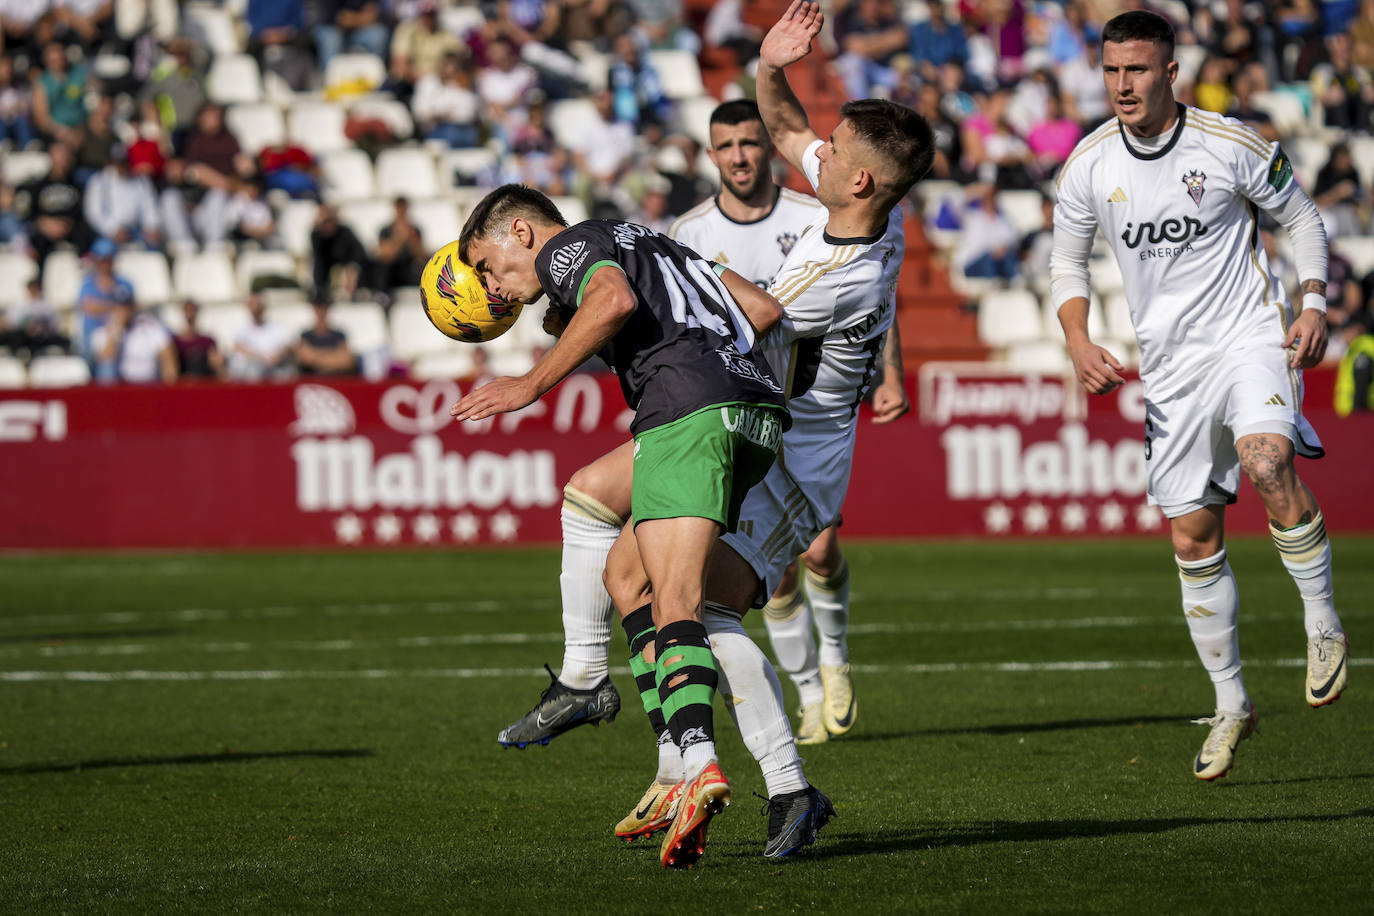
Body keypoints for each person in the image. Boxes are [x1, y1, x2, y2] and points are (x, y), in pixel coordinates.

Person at [449, 183, 792, 869]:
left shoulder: (567, 248)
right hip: (755, 414)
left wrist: (530, 384)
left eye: (486, 265)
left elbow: (614, 300)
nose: (490, 285)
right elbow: (764, 310)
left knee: (677, 602)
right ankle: (670, 761)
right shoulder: (653, 241)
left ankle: (695, 759)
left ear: (519, 231)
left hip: (685, 412)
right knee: (624, 573)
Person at [1049, 10, 1347, 782]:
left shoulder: (1229, 144)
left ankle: (1322, 621)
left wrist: (1312, 300)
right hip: (1171, 370)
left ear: (1171, 72)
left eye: (1138, 70)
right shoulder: (1087, 166)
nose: (1123, 84)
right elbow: (1067, 266)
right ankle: (1231, 705)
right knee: (1192, 537)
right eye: (1113, 70)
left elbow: (1302, 217)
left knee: (1266, 458)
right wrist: (1078, 341)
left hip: (1249, 336)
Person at [91, 298, 177, 384]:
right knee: (107, 368)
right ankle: (107, 396)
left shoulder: (149, 326)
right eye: (120, 308)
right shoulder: (105, 330)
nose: (124, 312)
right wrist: (117, 329)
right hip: (121, 383)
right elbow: (106, 357)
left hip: (149, 381)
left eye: (127, 308)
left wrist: (169, 380)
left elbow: (166, 354)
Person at [228, 291, 295, 381]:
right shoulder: (240, 328)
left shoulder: (278, 326)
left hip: (275, 368)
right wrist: (262, 359)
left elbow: (288, 346)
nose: (256, 307)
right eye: (253, 304)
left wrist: (277, 357)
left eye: (258, 304)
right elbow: (238, 347)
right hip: (252, 371)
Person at [295, 300, 359, 375]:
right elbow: (305, 358)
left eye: (324, 307)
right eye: (318, 307)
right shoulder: (305, 335)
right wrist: (335, 358)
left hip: (336, 380)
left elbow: (347, 360)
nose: (321, 311)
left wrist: (315, 357)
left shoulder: (339, 334)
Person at [173, 299, 223, 379]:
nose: (190, 314)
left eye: (192, 310)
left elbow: (217, 365)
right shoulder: (175, 341)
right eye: (187, 310)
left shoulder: (208, 341)